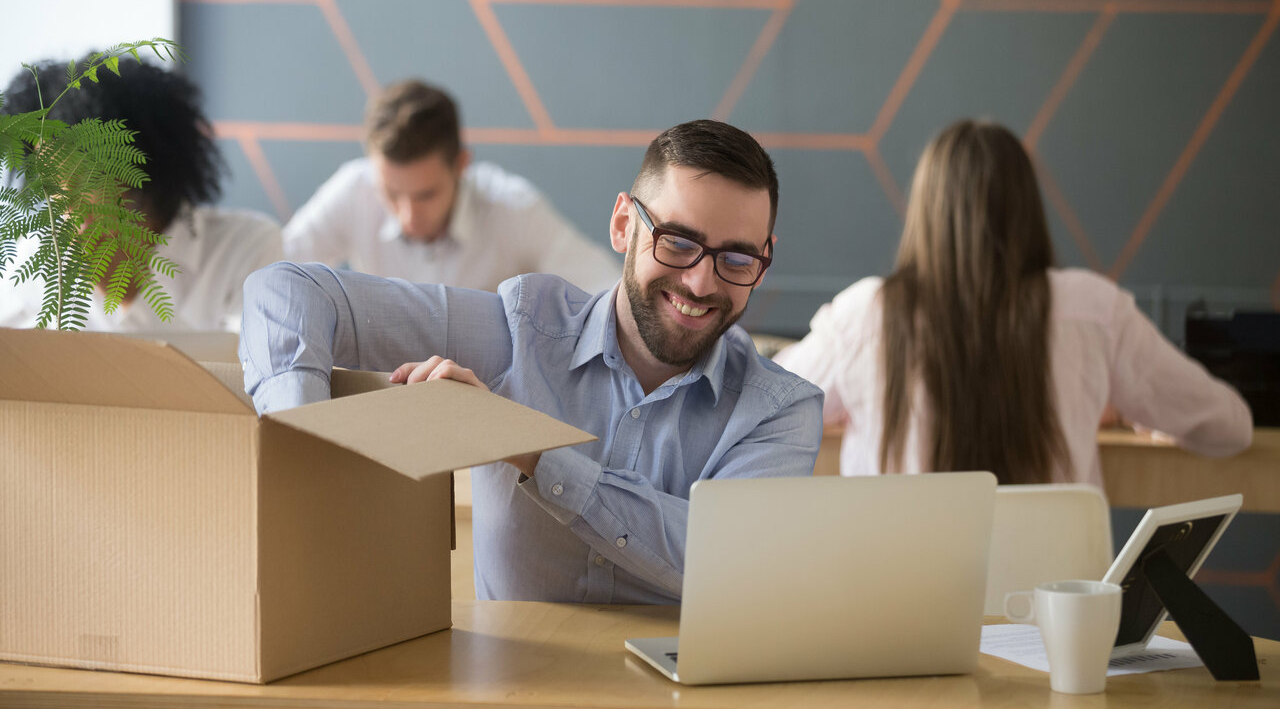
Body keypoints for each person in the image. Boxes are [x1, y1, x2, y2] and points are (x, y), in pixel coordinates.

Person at [240, 119, 823, 604]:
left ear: (764, 259)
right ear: (624, 225)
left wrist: (526, 447)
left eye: (738, 259)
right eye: (676, 242)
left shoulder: (781, 412)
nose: (700, 282)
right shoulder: (519, 330)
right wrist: (299, 453)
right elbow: (286, 291)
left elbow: (731, 560)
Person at [775, 119, 1251, 486]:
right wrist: (1129, 407)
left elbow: (763, 409)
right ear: (1027, 207)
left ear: (925, 210)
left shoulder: (865, 315)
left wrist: (846, 399)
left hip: (902, 610)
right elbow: (1230, 428)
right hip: (1055, 609)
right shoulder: (1093, 309)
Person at [0, 56, 282, 333]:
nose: (58, 203)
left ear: (140, 170)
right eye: (48, 181)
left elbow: (250, 370)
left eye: (78, 178)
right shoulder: (29, 262)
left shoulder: (245, 250)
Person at [282, 79, 620, 294]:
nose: (407, 216)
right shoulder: (353, 189)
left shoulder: (512, 207)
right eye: (391, 193)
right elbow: (276, 275)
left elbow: (606, 290)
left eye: (426, 195)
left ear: (461, 165)